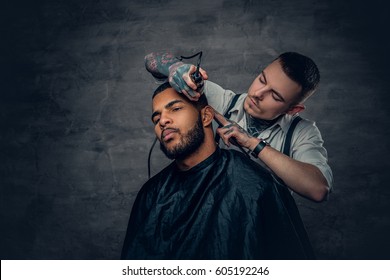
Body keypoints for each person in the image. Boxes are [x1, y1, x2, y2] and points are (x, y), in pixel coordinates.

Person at [121, 82, 314, 259]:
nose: (163, 121)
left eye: (176, 109)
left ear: (206, 116)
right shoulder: (151, 194)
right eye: (156, 118)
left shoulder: (257, 186)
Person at [144, 51, 333, 202]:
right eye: (262, 79)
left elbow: (318, 190)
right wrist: (176, 68)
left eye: (275, 96)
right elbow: (150, 59)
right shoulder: (217, 99)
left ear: (293, 109)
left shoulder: (302, 133)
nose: (258, 93)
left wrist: (253, 143)